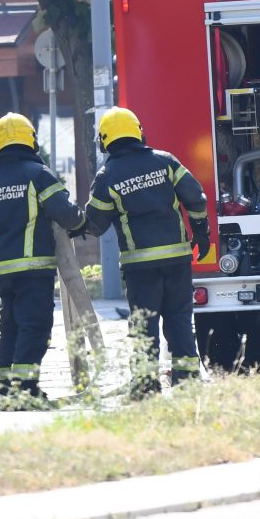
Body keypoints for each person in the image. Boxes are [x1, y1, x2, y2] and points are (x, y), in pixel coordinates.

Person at [81, 107, 210, 400]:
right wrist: (201, 232)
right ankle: (187, 382)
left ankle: (145, 387)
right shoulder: (165, 162)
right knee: (179, 319)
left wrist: (72, 224)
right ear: (138, 131)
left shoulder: (107, 176)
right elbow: (196, 198)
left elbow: (95, 225)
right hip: (177, 260)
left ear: (104, 141)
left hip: (140, 267)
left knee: (144, 326)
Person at [0, 112, 85, 410]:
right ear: (31, 140)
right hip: (34, 266)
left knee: (11, 326)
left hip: (4, 269)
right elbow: (65, 213)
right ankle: (26, 390)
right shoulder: (37, 173)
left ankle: (5, 387)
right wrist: (81, 222)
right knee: (35, 326)